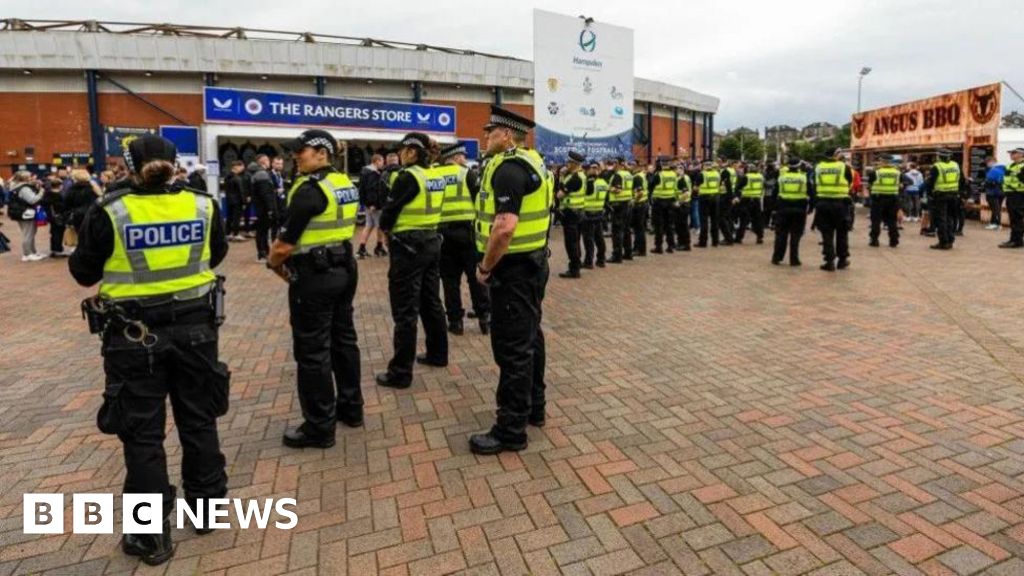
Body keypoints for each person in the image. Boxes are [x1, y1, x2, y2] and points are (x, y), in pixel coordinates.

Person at [69, 135, 230, 565]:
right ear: (174, 163)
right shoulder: (201, 204)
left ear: (127, 166)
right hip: (197, 330)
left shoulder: (110, 211)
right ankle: (208, 510)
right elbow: (215, 257)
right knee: (199, 420)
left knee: (143, 436)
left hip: (134, 338)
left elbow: (83, 274)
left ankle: (151, 537)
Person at [267, 129, 363, 448]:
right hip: (344, 268)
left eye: (302, 151)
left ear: (322, 153)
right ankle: (351, 409)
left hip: (315, 276)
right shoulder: (344, 183)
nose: (296, 156)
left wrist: (274, 264)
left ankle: (319, 426)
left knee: (312, 351)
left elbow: (282, 246)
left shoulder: (309, 190)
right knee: (343, 340)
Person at [469, 106, 551, 455]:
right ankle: (534, 406)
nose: (485, 138)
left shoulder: (508, 168)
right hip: (533, 263)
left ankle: (510, 429)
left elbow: (504, 227)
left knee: (513, 348)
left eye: (489, 132)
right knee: (531, 336)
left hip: (513, 269)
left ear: (505, 134)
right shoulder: (535, 162)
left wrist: (486, 267)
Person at [376, 132, 448, 389]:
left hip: (408, 246)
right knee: (431, 301)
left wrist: (384, 233)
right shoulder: (435, 175)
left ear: (413, 152)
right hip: (431, 241)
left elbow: (389, 212)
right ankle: (438, 354)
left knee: (405, 309)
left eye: (403, 150)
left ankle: (400, 372)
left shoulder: (408, 177)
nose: (400, 154)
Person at [436, 143, 490, 332]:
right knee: (475, 277)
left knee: (450, 280)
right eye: (462, 156)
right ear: (456, 157)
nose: (464, 159)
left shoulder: (434, 176)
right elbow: (481, 201)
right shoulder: (467, 174)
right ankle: (484, 318)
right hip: (467, 234)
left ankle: (455, 322)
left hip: (442, 235)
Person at [814, 149, 854, 270]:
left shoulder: (818, 167)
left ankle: (829, 261)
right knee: (842, 233)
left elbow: (814, 183)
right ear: (835, 155)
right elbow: (849, 182)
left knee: (826, 234)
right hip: (840, 203)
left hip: (823, 203)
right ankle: (842, 260)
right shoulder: (844, 167)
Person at [772, 157, 812, 266]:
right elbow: (811, 192)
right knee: (795, 235)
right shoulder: (803, 178)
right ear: (799, 166)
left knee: (781, 234)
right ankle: (794, 259)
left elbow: (774, 193)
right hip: (799, 208)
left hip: (783, 207)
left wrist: (774, 208)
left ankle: (777, 257)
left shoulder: (782, 177)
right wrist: (811, 207)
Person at [927, 149, 966, 250]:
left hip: (940, 196)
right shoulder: (955, 165)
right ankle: (950, 240)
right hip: (954, 195)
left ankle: (943, 242)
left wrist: (929, 194)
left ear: (939, 156)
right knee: (951, 219)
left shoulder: (937, 167)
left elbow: (930, 183)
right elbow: (962, 180)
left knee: (941, 219)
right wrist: (961, 194)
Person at [557, 151, 587, 278]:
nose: (567, 164)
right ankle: (577, 265)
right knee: (576, 240)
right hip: (579, 211)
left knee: (571, 242)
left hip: (571, 213)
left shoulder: (575, 178)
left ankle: (574, 269)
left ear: (575, 163)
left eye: (569, 162)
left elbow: (560, 194)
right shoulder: (581, 175)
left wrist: (561, 178)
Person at [7, 171, 46, 261]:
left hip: (21, 212)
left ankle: (33, 252)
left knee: (29, 233)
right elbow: (33, 200)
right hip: (26, 213)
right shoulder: (24, 188)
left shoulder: (15, 186)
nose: (32, 177)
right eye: (29, 176)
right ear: (24, 178)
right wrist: (41, 192)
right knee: (28, 234)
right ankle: (27, 254)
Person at [356, 154, 388, 258]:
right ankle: (379, 247)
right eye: (382, 161)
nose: (383, 164)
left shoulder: (365, 172)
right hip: (374, 204)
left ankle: (362, 248)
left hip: (367, 203)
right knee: (380, 226)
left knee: (369, 225)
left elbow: (363, 189)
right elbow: (372, 190)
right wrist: (373, 204)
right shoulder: (373, 174)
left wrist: (366, 203)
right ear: (376, 161)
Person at [249, 155, 277, 262]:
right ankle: (263, 253)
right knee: (262, 231)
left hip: (260, 207)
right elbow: (266, 193)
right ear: (263, 162)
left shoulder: (258, 173)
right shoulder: (262, 174)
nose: (269, 162)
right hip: (263, 208)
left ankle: (264, 252)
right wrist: (271, 208)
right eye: (268, 160)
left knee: (262, 231)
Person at [869, 156, 902, 248]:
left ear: (882, 162)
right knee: (892, 220)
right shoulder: (898, 173)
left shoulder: (876, 172)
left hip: (878, 199)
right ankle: (894, 240)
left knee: (876, 220)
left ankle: (874, 240)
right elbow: (902, 184)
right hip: (893, 199)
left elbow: (870, 184)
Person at [581, 162, 608, 268]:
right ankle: (601, 260)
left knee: (589, 239)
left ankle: (589, 262)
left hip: (588, 213)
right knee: (599, 238)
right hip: (599, 213)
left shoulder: (588, 182)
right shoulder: (603, 182)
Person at [649, 159, 679, 254]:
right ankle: (671, 246)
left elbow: (651, 185)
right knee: (669, 225)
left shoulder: (659, 175)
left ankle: (659, 246)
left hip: (659, 201)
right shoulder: (674, 174)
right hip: (670, 201)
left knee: (659, 225)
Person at [606, 157, 633, 263]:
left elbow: (618, 190)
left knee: (617, 231)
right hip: (627, 204)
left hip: (619, 206)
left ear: (620, 164)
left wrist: (608, 188)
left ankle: (617, 255)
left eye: (615, 163)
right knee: (626, 230)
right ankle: (628, 253)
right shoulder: (628, 174)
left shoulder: (618, 175)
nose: (614, 164)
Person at [693, 160, 725, 247]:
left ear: (704, 166)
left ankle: (703, 242)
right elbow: (721, 186)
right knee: (715, 220)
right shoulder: (717, 174)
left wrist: (699, 190)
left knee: (704, 220)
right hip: (715, 198)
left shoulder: (702, 174)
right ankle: (715, 241)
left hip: (704, 198)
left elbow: (695, 188)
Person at [734, 163, 765, 244]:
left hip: (746, 200)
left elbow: (738, 188)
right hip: (757, 200)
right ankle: (760, 236)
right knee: (757, 219)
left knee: (743, 220)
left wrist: (737, 196)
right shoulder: (760, 176)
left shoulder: (746, 177)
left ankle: (739, 238)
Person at [999, 147, 1024, 248]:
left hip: (1019, 194)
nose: (1011, 155)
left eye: (1014, 153)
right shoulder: (1010, 166)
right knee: (1013, 218)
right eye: (1011, 153)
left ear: (1021, 154)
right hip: (1011, 194)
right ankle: (1014, 239)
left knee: (1016, 218)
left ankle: (1016, 241)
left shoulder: (1022, 166)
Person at [42, 177, 70, 257]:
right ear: (60, 186)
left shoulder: (47, 195)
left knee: (53, 233)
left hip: (51, 217)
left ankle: (54, 249)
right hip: (59, 217)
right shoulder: (58, 196)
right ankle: (58, 250)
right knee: (59, 234)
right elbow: (62, 207)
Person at [223, 160, 247, 242]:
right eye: (241, 167)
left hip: (229, 200)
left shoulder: (227, 177)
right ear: (236, 167)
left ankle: (228, 233)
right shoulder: (237, 178)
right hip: (237, 201)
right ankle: (236, 234)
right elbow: (241, 191)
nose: (242, 169)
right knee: (237, 218)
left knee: (229, 217)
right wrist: (244, 202)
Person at [630, 162, 649, 256]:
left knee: (638, 228)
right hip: (643, 203)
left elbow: (640, 192)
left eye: (632, 165)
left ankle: (639, 249)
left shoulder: (637, 177)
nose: (631, 167)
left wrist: (634, 200)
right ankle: (640, 249)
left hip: (639, 204)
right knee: (640, 228)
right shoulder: (642, 175)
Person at [983, 157, 1006, 230]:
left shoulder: (993, 170)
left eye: (987, 163)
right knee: (997, 208)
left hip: (993, 192)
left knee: (995, 209)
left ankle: (997, 224)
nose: (987, 165)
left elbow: (989, 181)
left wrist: (984, 184)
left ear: (992, 162)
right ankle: (993, 223)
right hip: (1001, 192)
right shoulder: (1003, 169)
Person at [270, 156, 288, 239]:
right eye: (277, 163)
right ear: (272, 164)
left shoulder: (284, 174)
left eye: (281, 164)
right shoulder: (269, 175)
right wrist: (276, 190)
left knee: (283, 227)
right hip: (274, 203)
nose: (279, 165)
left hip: (283, 203)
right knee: (274, 227)